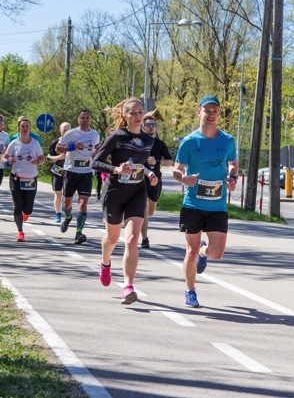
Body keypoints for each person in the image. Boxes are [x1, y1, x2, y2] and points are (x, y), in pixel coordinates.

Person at [173, 95, 238, 308]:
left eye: (214, 111)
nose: (210, 115)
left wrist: (232, 177)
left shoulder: (227, 140)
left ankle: (204, 252)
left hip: (217, 204)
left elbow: (233, 164)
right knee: (189, 251)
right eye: (206, 110)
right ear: (198, 112)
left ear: (219, 114)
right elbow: (176, 169)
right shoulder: (189, 142)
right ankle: (190, 291)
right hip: (193, 203)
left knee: (217, 253)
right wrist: (183, 178)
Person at [92, 97, 158, 305]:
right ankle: (105, 262)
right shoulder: (117, 137)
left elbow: (138, 164)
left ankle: (128, 286)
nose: (138, 116)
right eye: (133, 113)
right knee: (112, 239)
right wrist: (116, 169)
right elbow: (96, 162)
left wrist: (149, 174)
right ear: (124, 115)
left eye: (140, 112)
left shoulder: (148, 140)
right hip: (115, 191)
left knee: (131, 240)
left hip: (137, 192)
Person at [56, 109, 100, 244]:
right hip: (71, 171)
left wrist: (95, 152)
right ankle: (68, 217)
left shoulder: (95, 134)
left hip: (86, 173)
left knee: (83, 203)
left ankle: (79, 233)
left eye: (87, 118)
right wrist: (72, 146)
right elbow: (58, 148)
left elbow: (97, 149)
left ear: (90, 120)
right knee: (67, 203)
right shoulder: (71, 133)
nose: (85, 120)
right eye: (82, 118)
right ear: (78, 119)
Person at [4, 116, 45, 242]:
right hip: (16, 178)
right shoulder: (14, 143)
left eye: (27, 126)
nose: (25, 128)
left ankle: (25, 213)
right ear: (19, 128)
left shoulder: (35, 143)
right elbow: (4, 158)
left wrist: (37, 161)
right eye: (22, 126)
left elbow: (42, 159)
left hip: (31, 179)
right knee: (17, 205)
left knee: (28, 209)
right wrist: (8, 160)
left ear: (30, 128)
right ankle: (20, 232)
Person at [140, 114, 174, 248]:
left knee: (151, 210)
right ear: (143, 127)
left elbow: (170, 161)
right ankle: (144, 238)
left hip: (155, 179)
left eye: (153, 125)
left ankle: (141, 220)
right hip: (140, 178)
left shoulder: (160, 144)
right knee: (144, 208)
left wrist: (157, 161)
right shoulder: (139, 141)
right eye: (148, 125)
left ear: (156, 128)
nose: (151, 128)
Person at [47, 121, 71, 223]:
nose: (65, 132)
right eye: (64, 130)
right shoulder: (55, 143)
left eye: (68, 130)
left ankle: (67, 213)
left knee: (67, 195)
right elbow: (48, 158)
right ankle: (58, 214)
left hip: (69, 171)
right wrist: (58, 157)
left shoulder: (73, 142)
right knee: (58, 194)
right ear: (60, 130)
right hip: (57, 171)